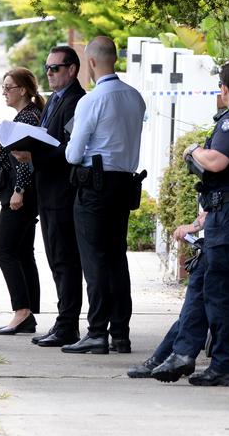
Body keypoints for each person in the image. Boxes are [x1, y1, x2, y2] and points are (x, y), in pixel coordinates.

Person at [128, 61, 229, 386]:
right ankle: (173, 356)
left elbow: (218, 162)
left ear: (224, 89)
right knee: (202, 283)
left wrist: (194, 150)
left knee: (215, 289)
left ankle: (224, 365)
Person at [62, 36, 145, 354]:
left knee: (95, 261)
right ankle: (120, 332)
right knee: (116, 258)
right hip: (124, 185)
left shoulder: (91, 101)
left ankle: (97, 331)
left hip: (95, 187)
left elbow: (73, 154)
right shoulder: (135, 97)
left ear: (92, 63)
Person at [12, 46, 85, 348]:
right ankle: (63, 320)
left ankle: (68, 324)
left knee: (65, 260)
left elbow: (67, 151)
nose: (50, 73)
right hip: (48, 190)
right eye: (47, 68)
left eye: (56, 68)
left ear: (72, 69)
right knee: (56, 259)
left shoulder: (75, 101)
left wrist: (33, 157)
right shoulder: (55, 99)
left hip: (62, 192)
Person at [0, 67, 44, 335]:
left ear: (23, 90)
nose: (4, 92)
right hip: (25, 192)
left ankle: (22, 310)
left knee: (4, 250)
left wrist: (19, 190)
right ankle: (28, 314)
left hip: (21, 194)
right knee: (23, 252)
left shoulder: (28, 117)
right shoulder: (27, 115)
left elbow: (25, 157)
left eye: (8, 87)